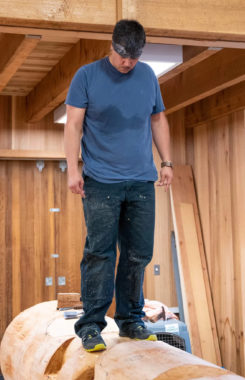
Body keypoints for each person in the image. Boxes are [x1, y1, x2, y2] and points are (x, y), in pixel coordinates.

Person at [64, 19, 173, 352]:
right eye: (124, 55)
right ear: (112, 46)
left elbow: (157, 118)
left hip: (141, 180)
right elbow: (73, 124)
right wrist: (72, 169)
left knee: (138, 253)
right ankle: (91, 326)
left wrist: (166, 161)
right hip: (101, 180)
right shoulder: (86, 76)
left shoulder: (147, 76)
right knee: (100, 253)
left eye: (134, 57)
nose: (128, 63)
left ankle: (130, 320)